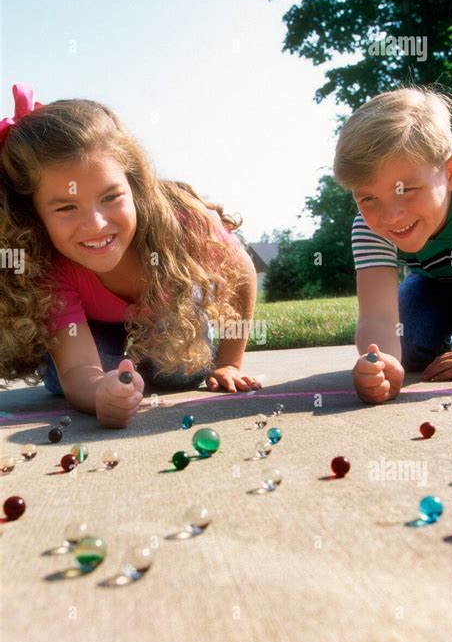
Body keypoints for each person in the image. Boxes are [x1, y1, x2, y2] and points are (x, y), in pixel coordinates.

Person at [0, 84, 262, 427]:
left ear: (135, 185)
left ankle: (149, 360)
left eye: (111, 197)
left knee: (183, 370)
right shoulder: (51, 265)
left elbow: (242, 272)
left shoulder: (183, 220)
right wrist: (99, 393)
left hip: (163, 308)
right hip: (91, 328)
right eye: (66, 207)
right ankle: (116, 366)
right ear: (33, 215)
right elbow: (82, 372)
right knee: (67, 381)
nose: (95, 224)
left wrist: (230, 362)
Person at [333, 87, 452, 404]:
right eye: (369, 198)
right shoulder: (369, 227)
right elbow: (378, 317)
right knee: (406, 341)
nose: (391, 216)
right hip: (434, 283)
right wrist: (381, 364)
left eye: (407, 189)